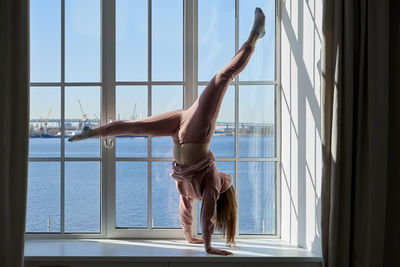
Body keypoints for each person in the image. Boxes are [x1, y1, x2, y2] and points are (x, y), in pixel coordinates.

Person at [69, 7, 266, 255]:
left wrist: (192, 237)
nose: (226, 178)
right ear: (219, 197)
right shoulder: (212, 184)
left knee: (142, 125)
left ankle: (93, 133)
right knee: (219, 79)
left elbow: (190, 210)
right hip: (196, 130)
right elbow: (202, 211)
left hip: (182, 130)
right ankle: (255, 35)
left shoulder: (199, 189)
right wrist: (205, 244)